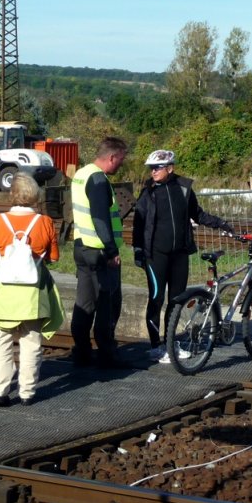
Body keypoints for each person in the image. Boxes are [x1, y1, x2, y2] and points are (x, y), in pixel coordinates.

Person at [132, 149, 233, 363]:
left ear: (170, 168)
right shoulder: (148, 192)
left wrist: (221, 223)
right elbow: (138, 223)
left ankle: (170, 344)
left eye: (157, 168)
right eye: (151, 168)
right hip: (155, 254)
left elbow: (198, 214)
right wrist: (138, 251)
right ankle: (156, 346)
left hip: (179, 254)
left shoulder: (184, 188)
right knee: (156, 298)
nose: (153, 172)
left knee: (176, 300)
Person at [0, 173, 64, 407]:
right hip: (33, 293)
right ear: (35, 195)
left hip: (3, 292)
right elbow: (54, 258)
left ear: (12, 194)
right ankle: (27, 392)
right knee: (31, 341)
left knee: (2, 340)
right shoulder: (45, 222)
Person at [69, 135, 128, 368]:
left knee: (84, 303)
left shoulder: (81, 174)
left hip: (82, 247)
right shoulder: (98, 180)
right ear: (112, 157)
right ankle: (107, 355)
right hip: (100, 252)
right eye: (121, 159)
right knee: (108, 303)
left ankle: (82, 352)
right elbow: (100, 218)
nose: (121, 164)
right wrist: (112, 251)